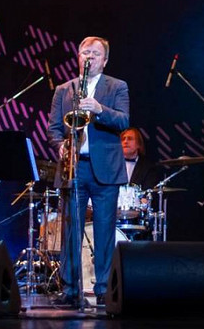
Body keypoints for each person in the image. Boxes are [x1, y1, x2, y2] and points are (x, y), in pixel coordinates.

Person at [47, 36, 129, 307]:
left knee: (104, 231)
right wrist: (60, 146)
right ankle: (71, 290)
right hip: (74, 167)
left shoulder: (117, 86)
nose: (89, 57)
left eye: (95, 53)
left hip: (105, 169)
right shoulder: (64, 89)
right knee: (70, 230)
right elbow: (53, 128)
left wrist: (99, 109)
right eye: (85, 53)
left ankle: (104, 289)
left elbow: (123, 121)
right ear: (78, 57)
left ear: (105, 61)